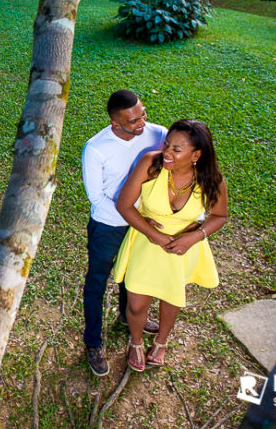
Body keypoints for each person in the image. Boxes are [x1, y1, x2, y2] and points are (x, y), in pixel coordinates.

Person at [114, 119, 228, 371]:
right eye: (167, 145)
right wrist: (153, 234)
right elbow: (124, 205)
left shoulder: (211, 179)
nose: (167, 152)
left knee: (171, 297)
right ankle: (135, 342)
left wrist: (195, 236)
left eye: (177, 149)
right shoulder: (151, 164)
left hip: (182, 249)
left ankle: (161, 341)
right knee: (136, 303)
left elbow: (219, 216)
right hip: (146, 243)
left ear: (196, 154)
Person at [81, 90, 167, 376]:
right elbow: (96, 197)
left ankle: (126, 318)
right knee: (97, 281)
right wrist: (135, 216)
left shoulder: (158, 134)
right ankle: (93, 343)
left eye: (143, 114)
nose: (141, 123)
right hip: (108, 225)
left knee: (132, 277)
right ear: (115, 123)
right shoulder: (95, 148)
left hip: (144, 223)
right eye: (133, 120)